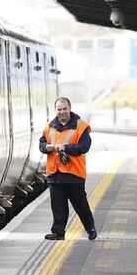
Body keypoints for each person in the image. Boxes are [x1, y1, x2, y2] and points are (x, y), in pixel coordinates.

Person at [39, 97, 97, 241]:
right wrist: (47, 147)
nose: (62, 112)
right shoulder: (49, 126)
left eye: (64, 109)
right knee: (58, 205)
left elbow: (84, 147)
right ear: (55, 110)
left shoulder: (81, 126)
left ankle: (90, 228)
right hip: (54, 173)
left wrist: (65, 148)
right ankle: (58, 232)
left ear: (70, 108)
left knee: (81, 205)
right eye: (59, 109)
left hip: (74, 174)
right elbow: (41, 144)